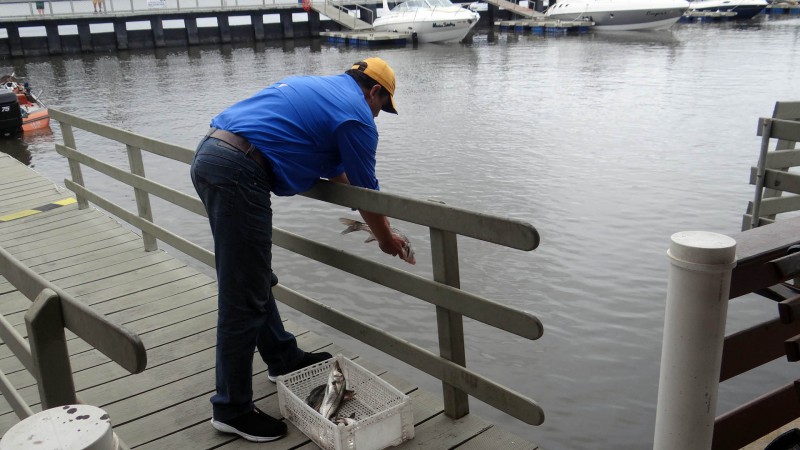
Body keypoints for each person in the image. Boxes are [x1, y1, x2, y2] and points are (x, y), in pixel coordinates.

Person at [190, 57, 408, 443]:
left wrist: (371, 215)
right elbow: (366, 192)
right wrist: (386, 238)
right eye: (382, 106)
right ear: (374, 91)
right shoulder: (356, 114)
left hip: (213, 153)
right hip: (239, 170)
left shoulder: (322, 89)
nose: (378, 115)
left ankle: (282, 358)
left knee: (251, 278)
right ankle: (231, 408)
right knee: (242, 295)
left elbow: (340, 175)